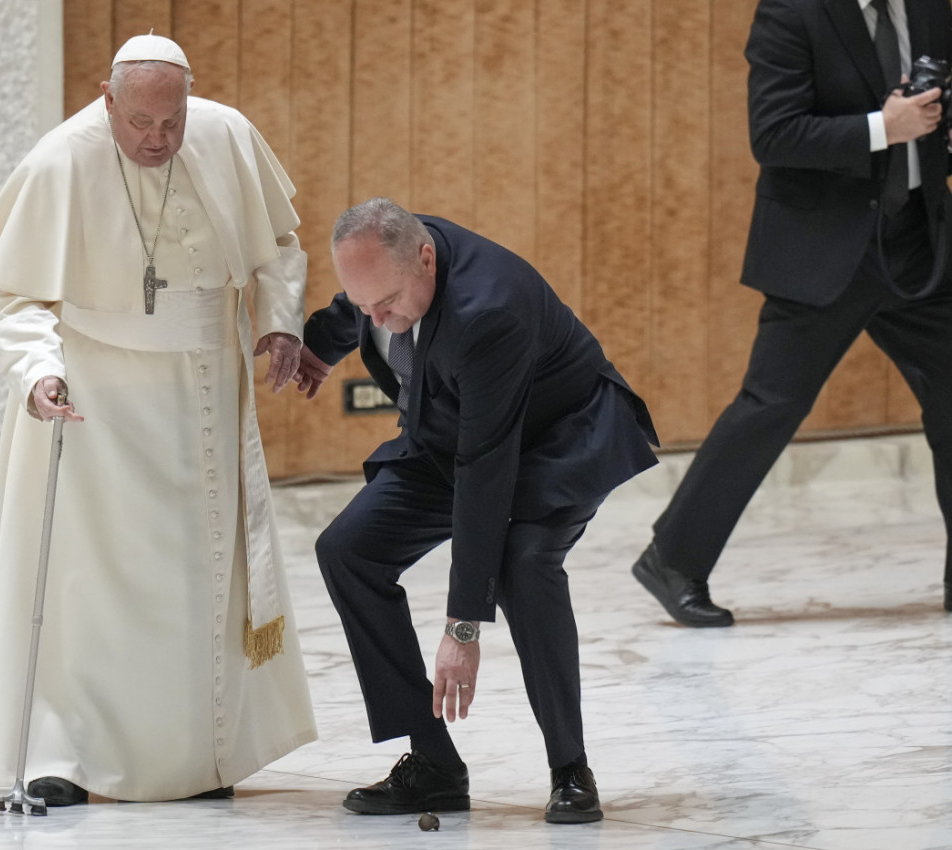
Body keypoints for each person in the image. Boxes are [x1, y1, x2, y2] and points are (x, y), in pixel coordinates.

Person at [0, 33, 316, 805]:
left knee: (201, 580)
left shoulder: (225, 134)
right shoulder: (58, 162)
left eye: (171, 123)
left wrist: (281, 320)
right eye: (139, 124)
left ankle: (200, 760)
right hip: (100, 399)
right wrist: (38, 372)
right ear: (106, 98)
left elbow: (277, 246)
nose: (156, 141)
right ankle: (70, 757)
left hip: (207, 393)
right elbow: (18, 299)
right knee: (93, 583)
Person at [294, 198, 660, 824]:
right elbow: (351, 309)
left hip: (557, 440)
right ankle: (433, 766)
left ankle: (570, 769)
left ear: (426, 261)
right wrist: (316, 348)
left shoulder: (489, 311)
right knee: (348, 550)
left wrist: (463, 627)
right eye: (365, 306)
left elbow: (486, 471)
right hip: (450, 434)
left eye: (385, 303)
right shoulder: (388, 268)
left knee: (523, 564)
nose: (377, 319)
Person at [631, 0, 952, 628]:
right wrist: (883, 128)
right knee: (770, 407)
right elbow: (773, 134)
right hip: (825, 248)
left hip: (918, 240)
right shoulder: (792, 11)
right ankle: (673, 558)